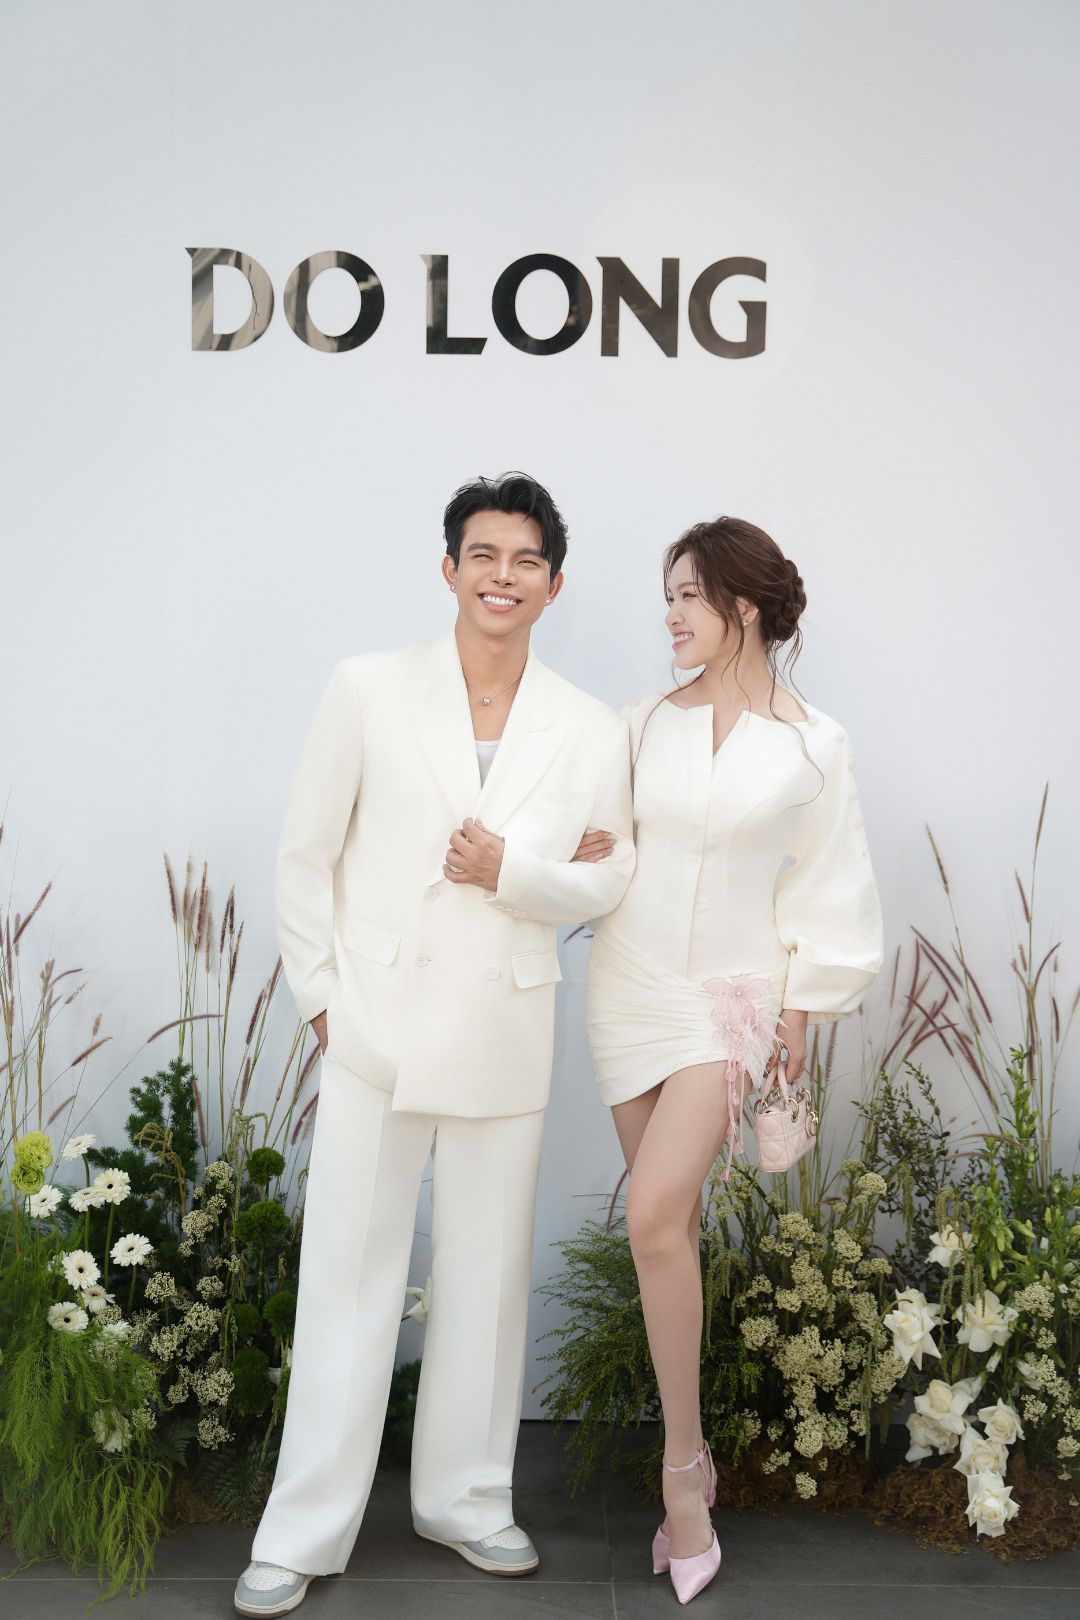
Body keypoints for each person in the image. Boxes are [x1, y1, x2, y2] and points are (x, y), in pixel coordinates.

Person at [235, 472, 636, 1617]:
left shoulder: (590, 726)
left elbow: (612, 877)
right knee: (345, 1279)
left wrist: (516, 872)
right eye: (484, 555)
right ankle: (302, 1531)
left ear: (555, 584)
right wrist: (324, 1003)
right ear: (450, 569)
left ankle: (465, 1501)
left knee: (486, 1279)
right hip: (376, 1023)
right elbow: (305, 855)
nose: (503, 576)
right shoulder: (367, 687)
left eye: (526, 560)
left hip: (505, 1022)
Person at [577, 514, 884, 1605]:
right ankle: (694, 1452)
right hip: (626, 988)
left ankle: (682, 1478)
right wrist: (577, 852)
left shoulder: (814, 745)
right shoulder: (640, 724)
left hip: (729, 1004)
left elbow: (831, 884)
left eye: (687, 596)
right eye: (667, 595)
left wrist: (801, 1006)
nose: (669, 615)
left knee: (652, 1215)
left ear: (742, 606)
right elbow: (604, 848)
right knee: (673, 1233)